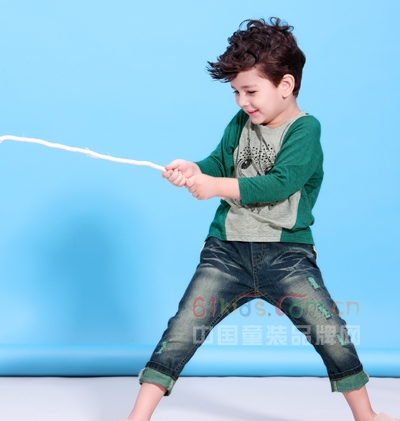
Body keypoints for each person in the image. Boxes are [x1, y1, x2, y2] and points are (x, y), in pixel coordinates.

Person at [120, 18, 398, 421]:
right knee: (181, 331)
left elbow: (279, 184)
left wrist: (215, 186)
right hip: (226, 252)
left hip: (287, 257)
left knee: (330, 332)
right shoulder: (241, 123)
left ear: (285, 85)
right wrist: (195, 169)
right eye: (236, 92)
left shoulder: (305, 130)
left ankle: (366, 415)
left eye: (250, 91)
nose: (242, 102)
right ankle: (137, 417)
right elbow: (219, 163)